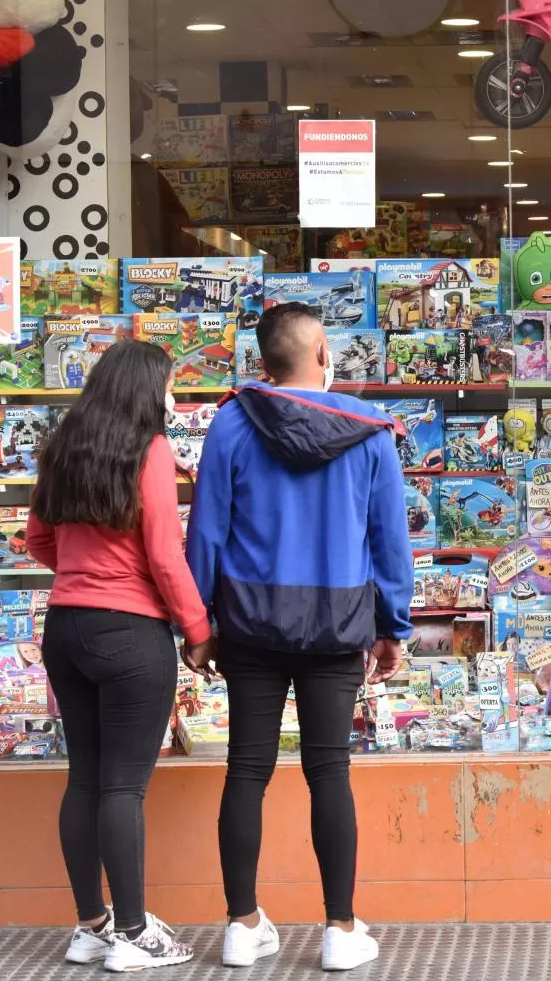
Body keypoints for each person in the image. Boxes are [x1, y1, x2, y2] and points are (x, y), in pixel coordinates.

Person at [186, 301, 413, 972]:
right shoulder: (368, 431)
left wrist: (198, 621)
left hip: (250, 624)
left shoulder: (231, 422)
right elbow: (388, 538)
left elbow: (206, 529)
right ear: (322, 354)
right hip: (340, 625)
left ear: (264, 364)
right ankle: (341, 930)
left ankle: (240, 924)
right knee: (329, 771)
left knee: (246, 771)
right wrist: (392, 624)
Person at [26, 340, 212, 972]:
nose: (173, 399)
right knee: (123, 788)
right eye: (167, 387)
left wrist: (82, 575)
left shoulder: (62, 449)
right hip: (131, 634)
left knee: (84, 778)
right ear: (143, 391)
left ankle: (91, 926)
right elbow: (164, 554)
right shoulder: (150, 450)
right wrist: (197, 628)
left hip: (65, 627)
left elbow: (37, 539)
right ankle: (133, 934)